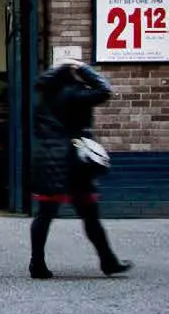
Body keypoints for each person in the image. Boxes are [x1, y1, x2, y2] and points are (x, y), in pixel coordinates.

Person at [29, 59, 129, 279]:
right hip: (72, 160)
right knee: (89, 214)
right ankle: (108, 261)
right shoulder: (74, 93)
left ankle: (37, 264)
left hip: (47, 158)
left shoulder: (43, 94)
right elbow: (104, 90)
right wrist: (84, 69)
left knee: (44, 214)